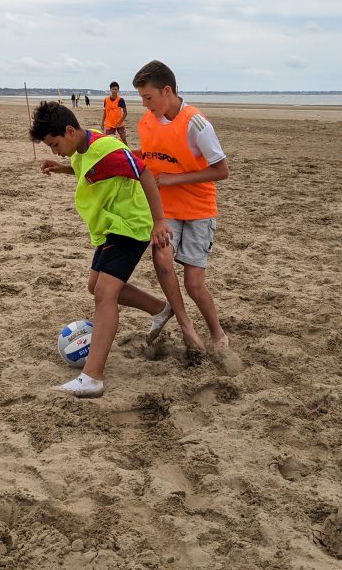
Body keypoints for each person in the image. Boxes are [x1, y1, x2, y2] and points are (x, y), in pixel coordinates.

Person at [29, 101, 175, 398]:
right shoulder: (83, 146)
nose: (54, 150)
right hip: (110, 226)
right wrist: (62, 168)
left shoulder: (106, 148)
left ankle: (92, 377)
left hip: (130, 226)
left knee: (104, 294)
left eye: (55, 144)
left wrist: (159, 221)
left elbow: (143, 173)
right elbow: (89, 169)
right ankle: (160, 309)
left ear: (70, 131)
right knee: (94, 285)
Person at [132, 60, 228, 353]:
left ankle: (217, 334)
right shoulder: (146, 122)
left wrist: (175, 179)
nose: (146, 105)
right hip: (167, 211)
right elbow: (148, 158)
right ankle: (185, 324)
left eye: (149, 97)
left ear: (167, 90)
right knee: (161, 261)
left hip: (199, 211)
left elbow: (221, 170)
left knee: (194, 284)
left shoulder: (196, 123)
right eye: (142, 99)